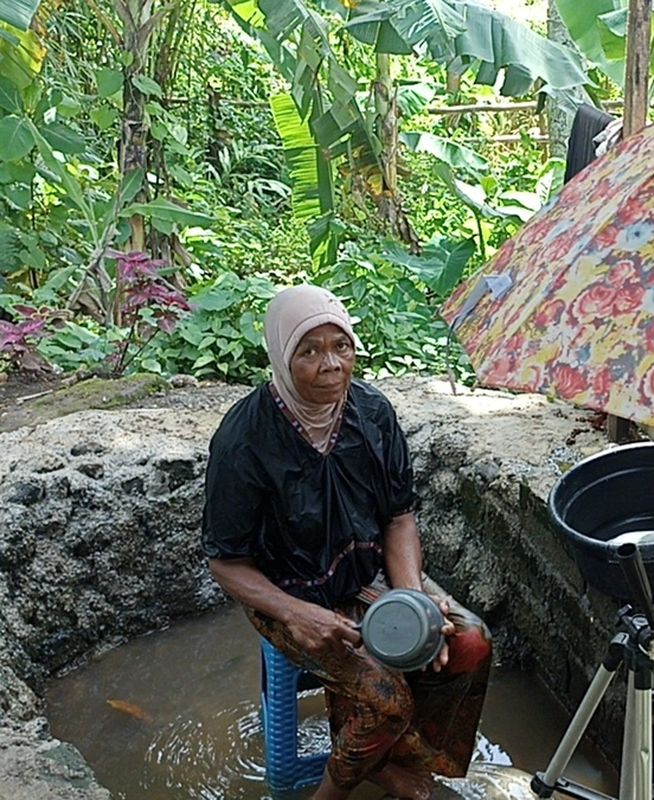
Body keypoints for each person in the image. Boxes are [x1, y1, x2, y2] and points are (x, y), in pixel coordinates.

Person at [202, 284, 491, 800]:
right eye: (309, 350)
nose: (331, 364)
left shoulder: (373, 415)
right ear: (280, 355)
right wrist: (294, 613)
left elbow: (399, 517)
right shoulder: (244, 441)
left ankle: (388, 758)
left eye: (342, 345)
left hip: (368, 573)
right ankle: (330, 793)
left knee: (469, 643)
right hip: (288, 592)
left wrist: (412, 601)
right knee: (386, 699)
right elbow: (226, 563)